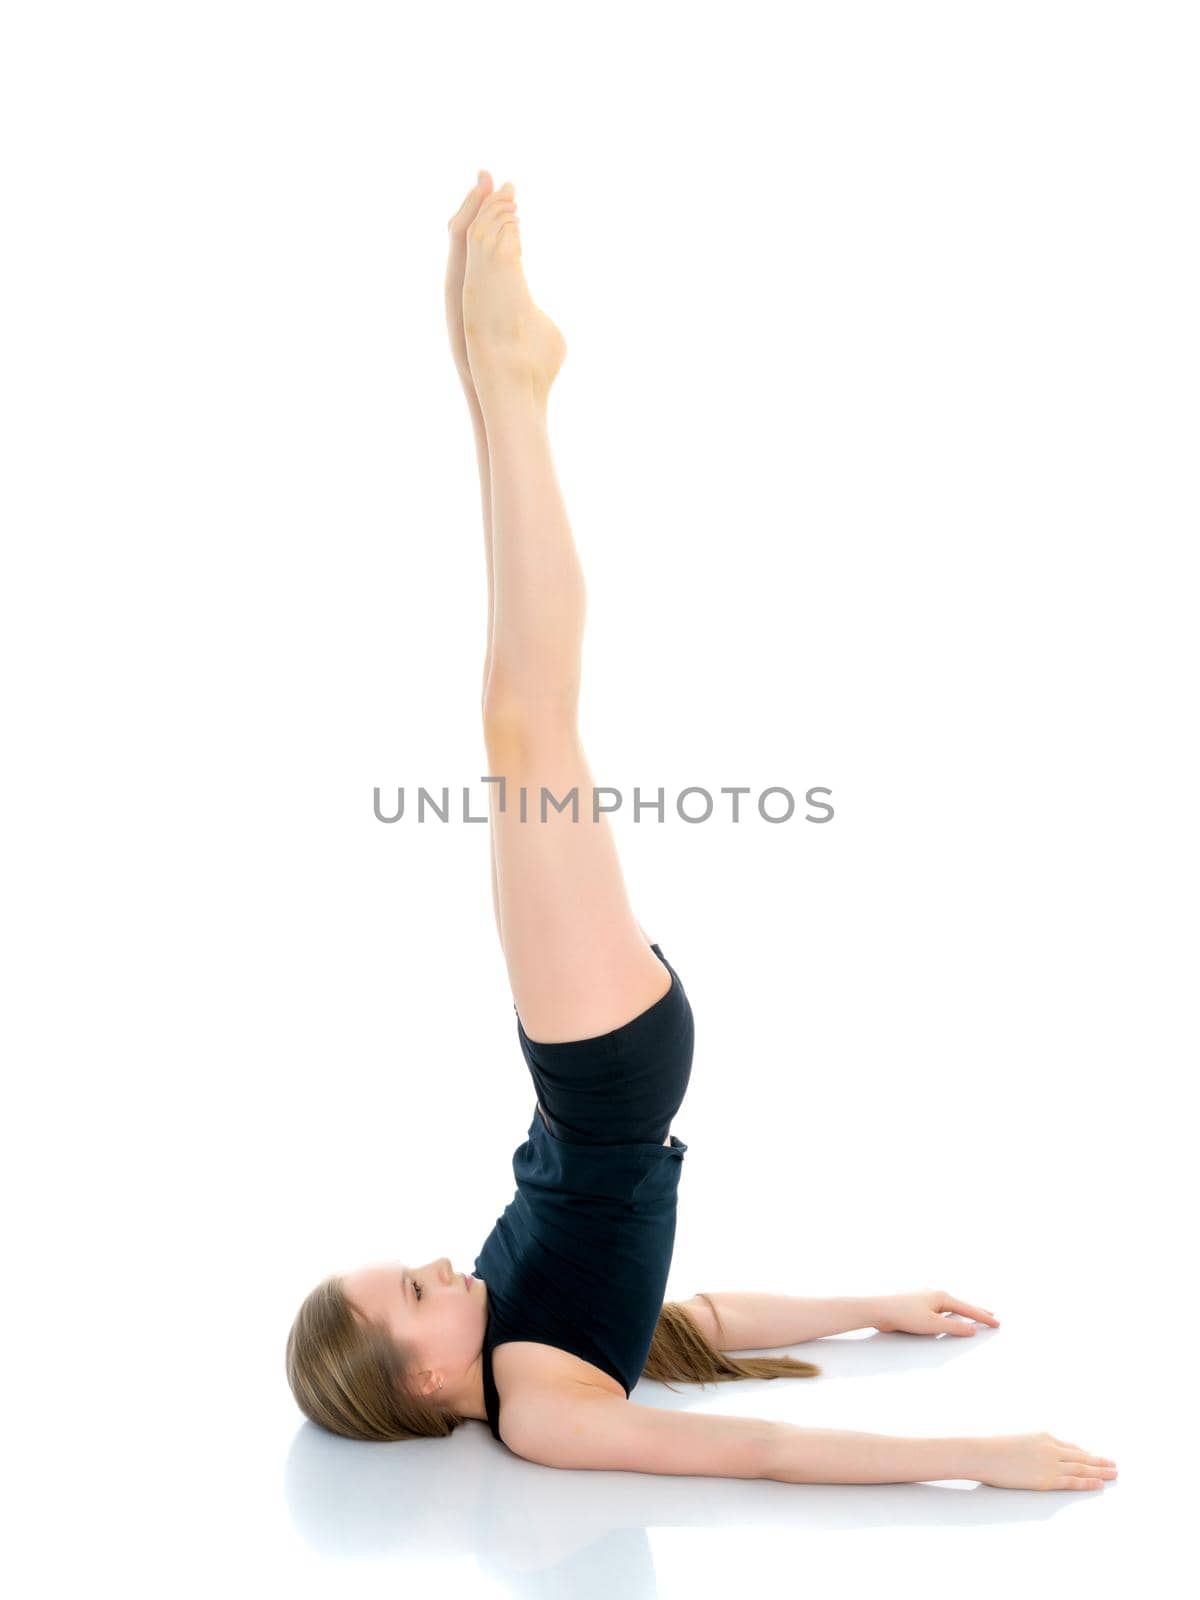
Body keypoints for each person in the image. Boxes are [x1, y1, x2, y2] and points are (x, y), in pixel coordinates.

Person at [284, 174, 1118, 1494]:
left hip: (600, 1072)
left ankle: (493, 381)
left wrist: (874, 1305)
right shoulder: (539, 1408)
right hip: (605, 1078)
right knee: (525, 730)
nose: (437, 1264)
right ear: (425, 1382)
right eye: (412, 1290)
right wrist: (981, 1458)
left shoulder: (516, 1332)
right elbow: (756, 1445)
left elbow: (698, 1325)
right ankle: (511, 386)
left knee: (512, 727)